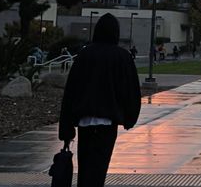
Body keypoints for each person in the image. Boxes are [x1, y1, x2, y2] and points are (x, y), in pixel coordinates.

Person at [59, 13, 141, 187]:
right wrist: (130, 118)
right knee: (98, 170)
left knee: (85, 169)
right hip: (107, 122)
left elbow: (71, 92)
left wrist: (66, 129)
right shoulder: (122, 57)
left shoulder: (84, 55)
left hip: (84, 121)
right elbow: (131, 91)